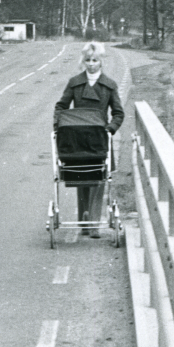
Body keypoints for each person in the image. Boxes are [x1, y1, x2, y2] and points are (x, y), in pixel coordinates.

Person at [53, 42, 124, 237]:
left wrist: (110, 129)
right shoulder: (74, 82)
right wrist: (60, 127)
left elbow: (118, 113)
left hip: (99, 138)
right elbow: (61, 106)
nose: (91, 64)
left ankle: (93, 224)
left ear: (101, 62)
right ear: (83, 61)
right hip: (77, 137)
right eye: (88, 60)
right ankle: (84, 221)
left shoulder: (109, 85)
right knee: (80, 176)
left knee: (99, 178)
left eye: (95, 60)